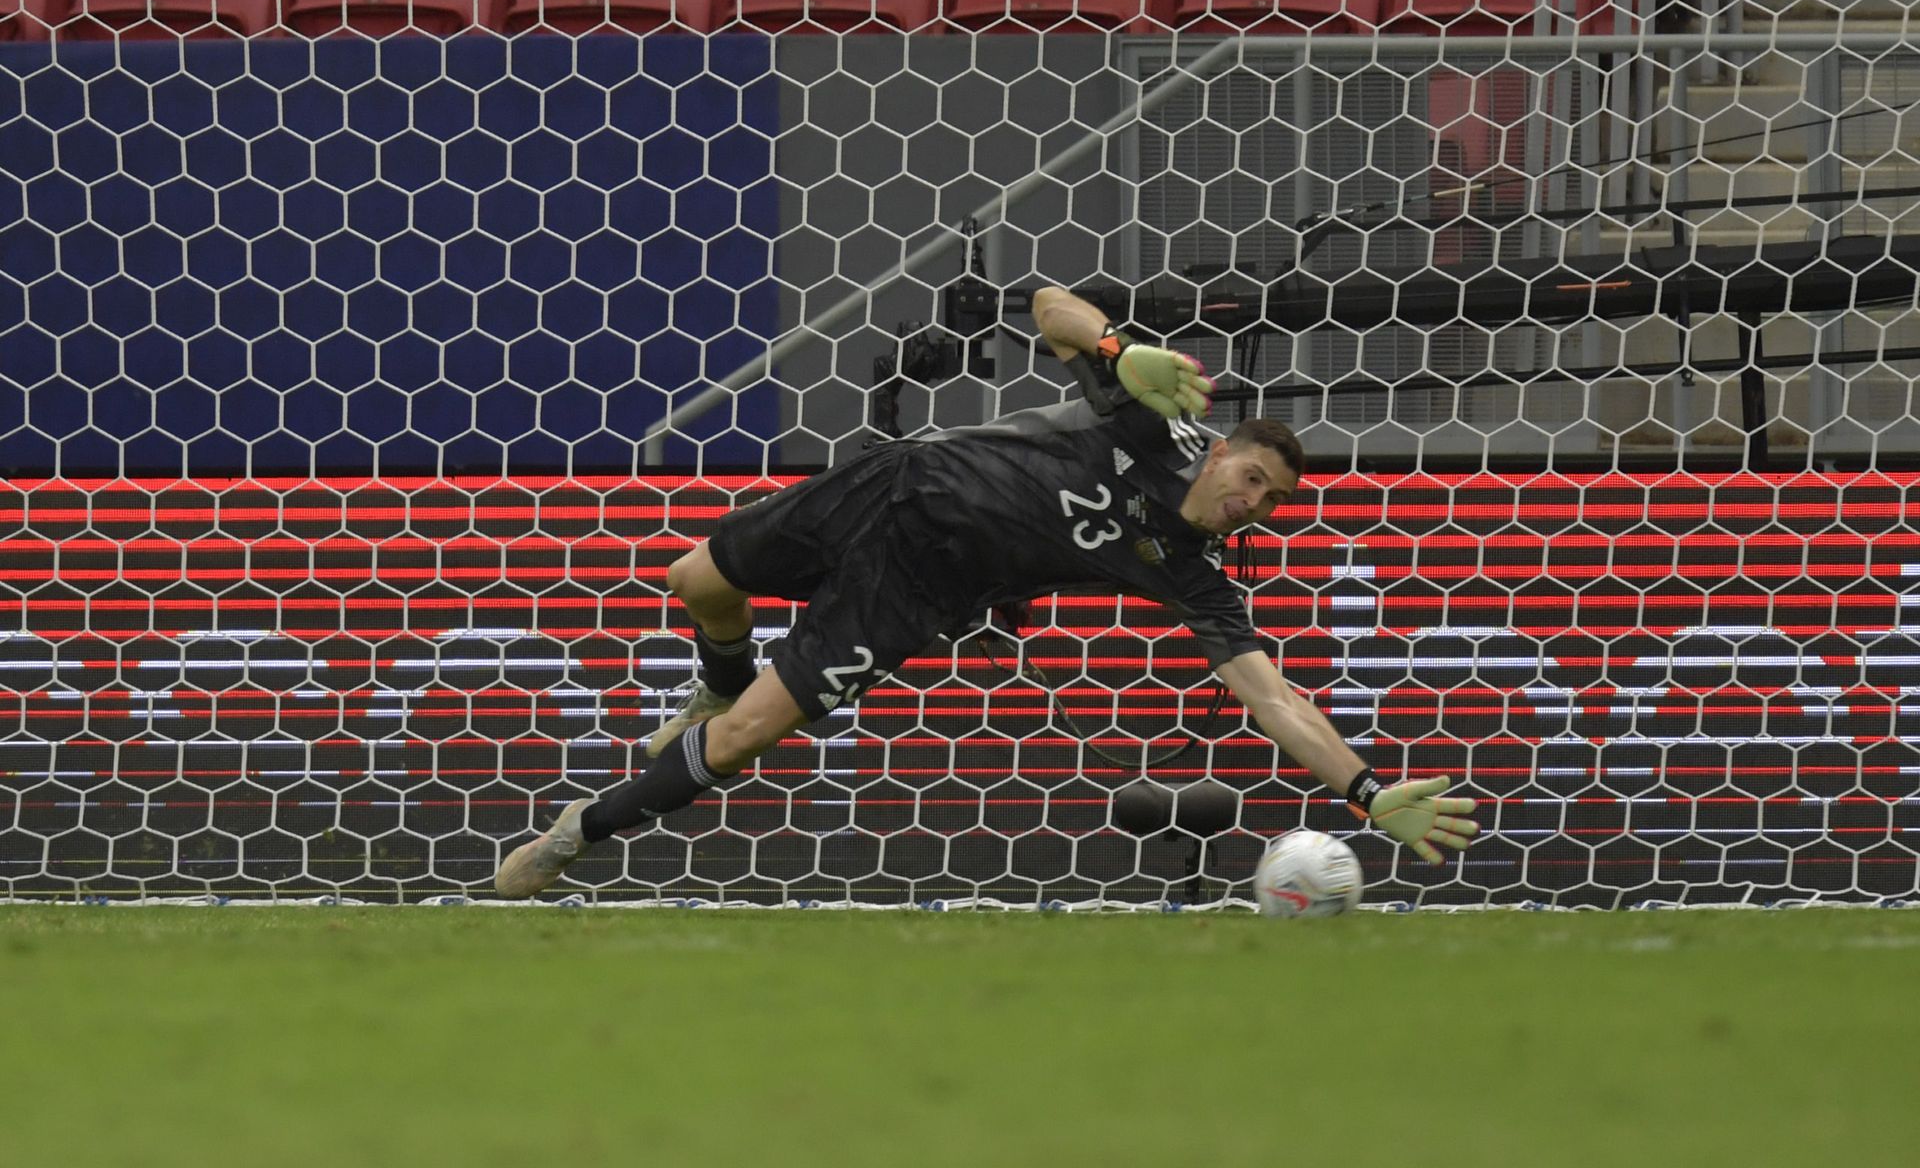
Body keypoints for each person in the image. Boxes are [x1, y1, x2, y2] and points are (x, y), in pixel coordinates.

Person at [495, 286, 1479, 897]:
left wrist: (1366, 787)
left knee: (753, 733)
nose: (1250, 504)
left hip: (922, 582)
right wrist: (1116, 347)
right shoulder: (1152, 419)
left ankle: (575, 833)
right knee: (695, 580)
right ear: (1220, 451)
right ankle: (712, 676)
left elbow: (1274, 697)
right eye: (1250, 479)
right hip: (887, 484)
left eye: (1269, 501)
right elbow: (1049, 303)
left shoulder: (1192, 571)